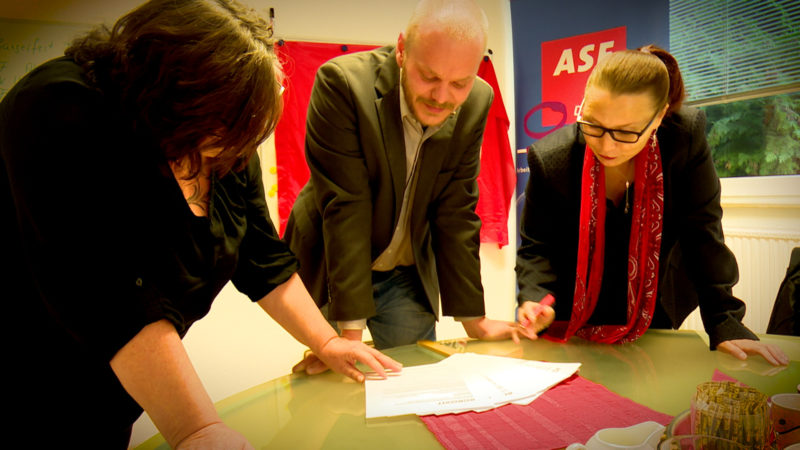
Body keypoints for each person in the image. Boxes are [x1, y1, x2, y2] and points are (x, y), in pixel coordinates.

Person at [0, 0, 400, 448]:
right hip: (31, 376)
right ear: (175, 97)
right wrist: (198, 427)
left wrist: (327, 342)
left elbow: (261, 257)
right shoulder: (59, 106)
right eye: (227, 128)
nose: (236, 146)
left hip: (118, 390)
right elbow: (113, 293)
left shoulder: (226, 138)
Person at [284, 0, 537, 358]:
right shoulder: (342, 83)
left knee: (415, 378)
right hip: (332, 260)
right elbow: (347, 207)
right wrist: (348, 341)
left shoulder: (478, 100)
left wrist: (474, 320)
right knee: (340, 385)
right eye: (430, 76)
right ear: (402, 50)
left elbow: (456, 209)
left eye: (459, 83)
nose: (441, 96)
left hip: (403, 269)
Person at [515, 45, 789, 366]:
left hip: (651, 303)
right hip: (571, 311)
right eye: (592, 124)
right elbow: (537, 246)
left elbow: (702, 233)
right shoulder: (552, 159)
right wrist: (534, 298)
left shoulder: (683, 139)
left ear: (658, 117)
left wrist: (725, 321)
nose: (606, 146)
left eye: (626, 132)